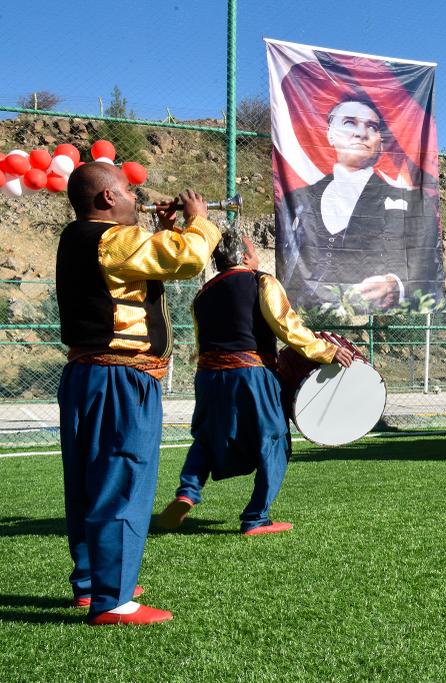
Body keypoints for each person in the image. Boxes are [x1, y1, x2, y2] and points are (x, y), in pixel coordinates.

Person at [56, 163, 221, 625]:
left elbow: (142, 272)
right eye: (129, 190)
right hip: (122, 380)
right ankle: (115, 600)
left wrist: (160, 229)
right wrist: (198, 219)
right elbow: (187, 259)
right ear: (108, 198)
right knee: (123, 480)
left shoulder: (79, 237)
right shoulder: (111, 238)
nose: (137, 197)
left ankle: (92, 585)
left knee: (88, 485)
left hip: (85, 377)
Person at [156, 231, 352, 535]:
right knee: (274, 441)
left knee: (207, 439)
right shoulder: (261, 281)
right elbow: (287, 326)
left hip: (208, 376)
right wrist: (325, 351)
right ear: (246, 257)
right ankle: (255, 517)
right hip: (252, 373)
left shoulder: (203, 294)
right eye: (254, 250)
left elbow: (200, 341)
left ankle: (187, 492)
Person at [276, 96, 444, 312]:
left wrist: (396, 284)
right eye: (349, 123)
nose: (361, 133)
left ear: (381, 144)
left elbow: (429, 266)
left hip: (370, 321)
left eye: (372, 127)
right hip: (304, 319)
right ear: (330, 134)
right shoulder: (298, 200)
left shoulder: (412, 204)